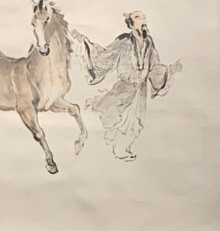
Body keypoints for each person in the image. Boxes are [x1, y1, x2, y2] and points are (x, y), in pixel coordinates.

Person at [72, 11, 182, 161]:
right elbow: (105, 55)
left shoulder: (149, 42)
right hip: (124, 88)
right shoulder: (124, 41)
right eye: (138, 17)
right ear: (130, 24)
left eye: (144, 17)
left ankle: (125, 148)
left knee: (135, 123)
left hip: (140, 91)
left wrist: (170, 70)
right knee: (115, 117)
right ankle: (110, 150)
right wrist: (83, 41)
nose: (142, 20)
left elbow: (154, 66)